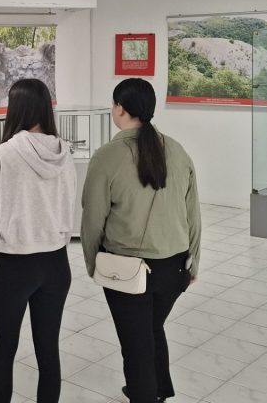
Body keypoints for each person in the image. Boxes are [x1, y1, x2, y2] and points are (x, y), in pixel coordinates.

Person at [81, 78, 202, 403]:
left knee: (135, 346)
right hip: (174, 269)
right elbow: (193, 213)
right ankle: (158, 390)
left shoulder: (107, 157)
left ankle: (144, 393)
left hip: (128, 271)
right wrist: (193, 263)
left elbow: (92, 219)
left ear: (120, 108)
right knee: (151, 329)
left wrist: (94, 264)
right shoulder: (177, 150)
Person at [0, 79, 75, 403]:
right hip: (56, 262)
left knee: (4, 349)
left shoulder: (2, 154)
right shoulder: (64, 153)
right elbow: (69, 207)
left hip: (15, 264)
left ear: (15, 109)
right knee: (49, 351)